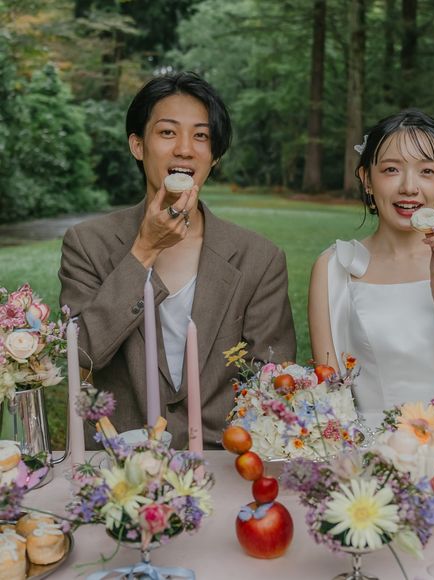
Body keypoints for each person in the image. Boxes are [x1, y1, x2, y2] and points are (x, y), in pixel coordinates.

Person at [59, 71, 296, 449]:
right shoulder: (87, 244)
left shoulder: (259, 258)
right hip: (121, 460)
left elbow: (272, 384)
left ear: (214, 156)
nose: (185, 149)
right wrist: (144, 250)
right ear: (138, 145)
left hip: (225, 460)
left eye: (201, 136)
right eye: (167, 132)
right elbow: (81, 353)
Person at [308, 110, 434, 430]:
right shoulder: (334, 267)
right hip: (366, 447)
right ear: (366, 179)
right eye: (391, 170)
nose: (409, 187)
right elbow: (330, 397)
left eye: (427, 171)